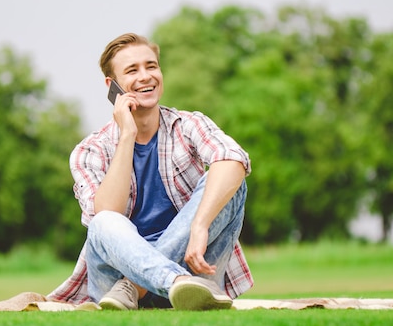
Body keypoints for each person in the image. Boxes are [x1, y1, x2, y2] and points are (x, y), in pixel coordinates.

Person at [47, 33, 252, 310]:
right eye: (132, 70)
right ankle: (165, 281)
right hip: (116, 285)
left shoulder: (188, 125)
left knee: (231, 179)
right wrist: (127, 134)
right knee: (102, 221)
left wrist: (200, 225)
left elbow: (233, 159)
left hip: (191, 271)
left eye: (151, 66)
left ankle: (143, 285)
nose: (146, 76)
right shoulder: (89, 152)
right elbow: (108, 215)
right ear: (112, 86)